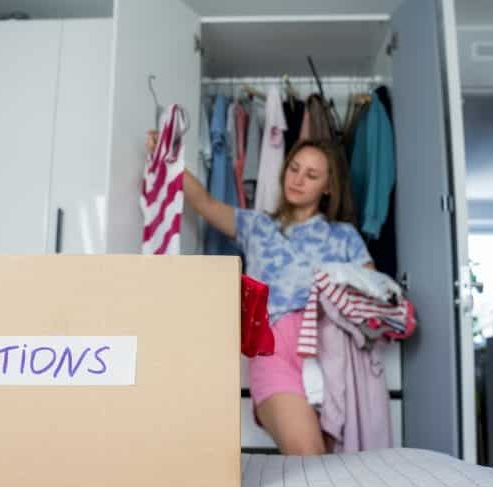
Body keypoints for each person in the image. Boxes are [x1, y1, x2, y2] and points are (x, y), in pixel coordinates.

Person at [146, 133, 373, 455]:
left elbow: (374, 293)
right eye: (294, 169)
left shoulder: (344, 236)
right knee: (309, 457)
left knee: (335, 465)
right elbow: (206, 204)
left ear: (329, 187)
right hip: (272, 349)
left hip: (330, 351)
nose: (298, 180)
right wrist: (169, 160)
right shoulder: (256, 225)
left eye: (311, 175)